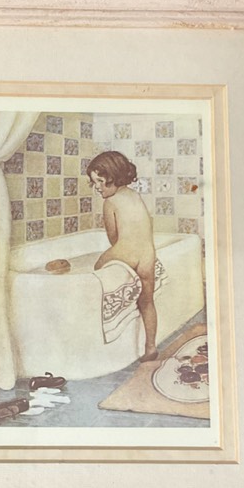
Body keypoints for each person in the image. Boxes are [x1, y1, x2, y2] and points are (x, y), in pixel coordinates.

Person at [88, 150, 158, 362]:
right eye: (94, 182)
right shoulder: (135, 196)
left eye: (100, 181)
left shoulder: (110, 202)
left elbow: (113, 237)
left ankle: (107, 333)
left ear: (114, 177)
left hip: (125, 250)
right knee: (147, 302)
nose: (97, 187)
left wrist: (117, 255)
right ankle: (151, 347)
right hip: (147, 254)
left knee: (94, 276)